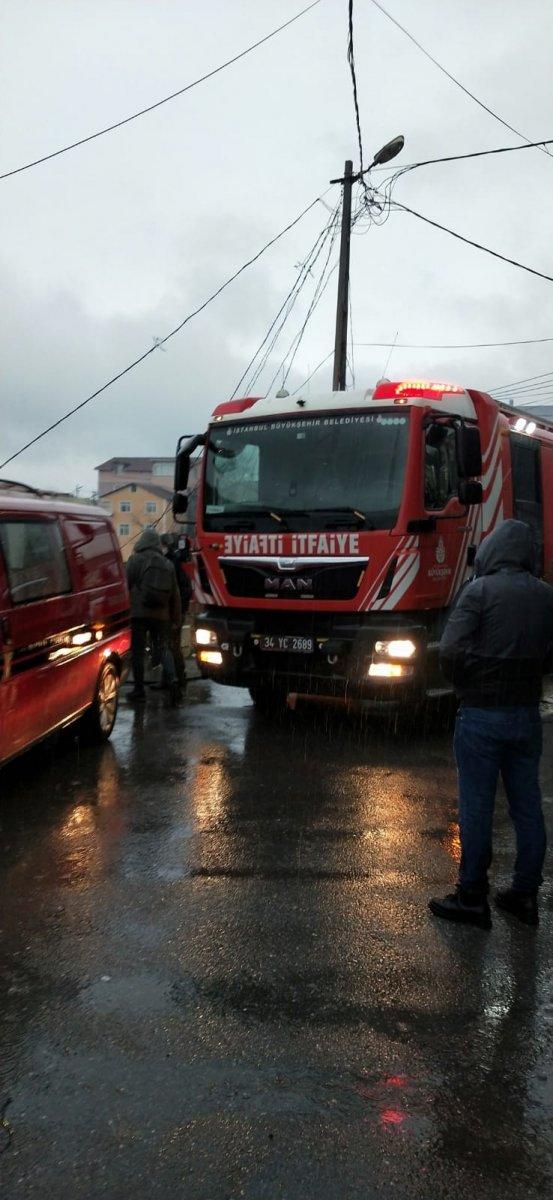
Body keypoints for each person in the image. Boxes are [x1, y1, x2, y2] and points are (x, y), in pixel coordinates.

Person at [429, 519, 553, 929]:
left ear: (492, 551)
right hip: (525, 715)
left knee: (477, 806)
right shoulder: (545, 595)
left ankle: (472, 897)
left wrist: (465, 683)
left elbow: (449, 650)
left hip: (482, 713)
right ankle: (525, 894)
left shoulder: (479, 591)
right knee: (527, 805)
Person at [126, 529, 182, 705]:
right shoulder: (167, 564)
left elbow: (125, 585)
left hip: (139, 614)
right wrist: (176, 618)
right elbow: (175, 594)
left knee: (138, 652)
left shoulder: (134, 560)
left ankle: (139, 689)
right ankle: (173, 681)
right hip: (162, 616)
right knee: (164, 649)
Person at [160, 533, 193, 690]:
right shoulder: (176, 562)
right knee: (170, 645)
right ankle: (174, 677)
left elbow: (180, 590)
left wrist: (177, 610)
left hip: (173, 612)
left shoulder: (170, 563)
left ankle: (177, 678)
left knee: (170, 646)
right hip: (176, 611)